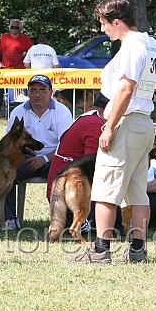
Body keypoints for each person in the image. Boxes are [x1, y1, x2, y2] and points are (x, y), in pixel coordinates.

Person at [72, 0, 156, 265]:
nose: (102, 30)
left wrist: (109, 126)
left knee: (104, 189)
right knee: (137, 191)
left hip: (126, 122)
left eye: (104, 24)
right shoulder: (151, 44)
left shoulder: (131, 47)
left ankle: (100, 251)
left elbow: (126, 88)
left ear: (117, 21)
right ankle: (137, 250)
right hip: (144, 124)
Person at [4, 74, 73, 229]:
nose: (37, 94)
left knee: (64, 175)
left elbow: (67, 146)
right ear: (27, 92)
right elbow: (10, 144)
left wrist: (44, 159)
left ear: (51, 92)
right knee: (4, 173)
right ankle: (9, 220)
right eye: (33, 90)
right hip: (25, 158)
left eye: (42, 90)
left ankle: (65, 222)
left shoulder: (62, 112)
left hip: (55, 158)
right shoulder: (17, 112)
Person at [47, 92, 111, 232]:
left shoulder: (89, 116)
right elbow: (93, 165)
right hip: (68, 191)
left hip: (60, 189)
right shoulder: (95, 125)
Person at [0, 19, 33, 111]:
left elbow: (33, 50)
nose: (14, 29)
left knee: (20, 92)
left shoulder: (24, 39)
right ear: (9, 28)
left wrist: (26, 53)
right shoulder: (4, 37)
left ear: (20, 28)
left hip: (19, 70)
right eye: (12, 27)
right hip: (5, 69)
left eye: (16, 28)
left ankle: (23, 108)